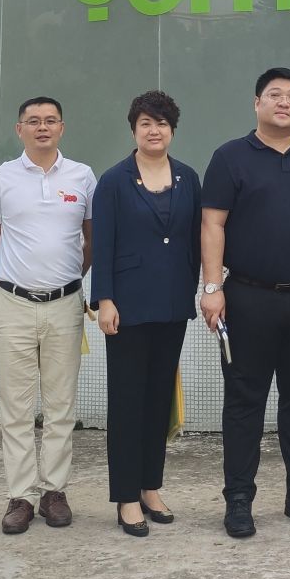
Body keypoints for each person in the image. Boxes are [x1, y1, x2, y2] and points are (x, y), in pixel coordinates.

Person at [199, 67, 290, 538]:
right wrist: (212, 288)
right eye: (274, 95)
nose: (283, 102)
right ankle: (239, 499)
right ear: (257, 103)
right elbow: (213, 224)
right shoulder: (230, 157)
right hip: (247, 298)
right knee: (244, 402)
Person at [0, 96, 96, 535]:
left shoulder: (82, 176)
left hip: (66, 304)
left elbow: (91, 239)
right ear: (19, 129)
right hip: (13, 303)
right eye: (33, 121)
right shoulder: (0, 178)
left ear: (61, 128)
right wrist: (4, 286)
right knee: (15, 406)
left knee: (61, 404)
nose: (42, 127)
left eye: (50, 120)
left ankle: (54, 491)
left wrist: (70, 279)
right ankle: (21, 495)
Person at [92, 91, 201, 537]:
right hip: (127, 307)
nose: (154, 131)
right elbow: (103, 243)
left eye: (162, 123)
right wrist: (104, 299)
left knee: (158, 400)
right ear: (134, 129)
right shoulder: (114, 180)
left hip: (172, 304)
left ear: (172, 129)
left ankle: (150, 487)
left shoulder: (188, 177)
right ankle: (125, 496)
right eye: (145, 123)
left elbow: (196, 238)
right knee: (127, 402)